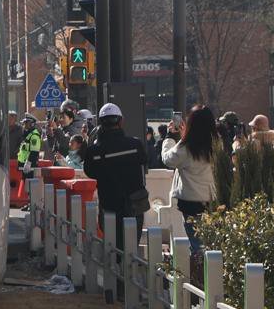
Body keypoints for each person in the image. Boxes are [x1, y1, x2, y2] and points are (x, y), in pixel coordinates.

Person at [82, 104, 149, 291]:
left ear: (101, 124)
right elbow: (144, 160)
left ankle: (116, 288)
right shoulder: (135, 145)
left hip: (109, 205)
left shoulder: (95, 151)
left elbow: (90, 171)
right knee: (131, 248)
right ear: (121, 121)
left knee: (112, 247)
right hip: (134, 204)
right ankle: (131, 288)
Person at [162, 106, 218, 253]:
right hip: (213, 199)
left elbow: (169, 159)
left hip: (190, 202)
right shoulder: (217, 144)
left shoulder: (187, 147)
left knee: (197, 244)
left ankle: (200, 272)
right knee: (212, 243)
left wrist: (169, 137)